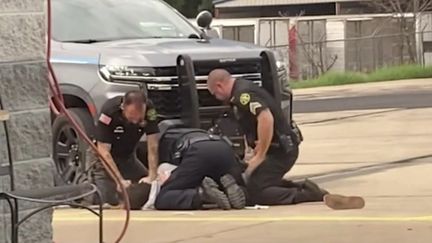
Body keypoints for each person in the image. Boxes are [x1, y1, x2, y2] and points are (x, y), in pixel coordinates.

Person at [207, 69, 365, 209]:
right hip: (278, 148)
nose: (217, 97)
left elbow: (265, 117)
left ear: (220, 86)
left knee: (258, 192)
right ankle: (306, 189)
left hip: (281, 151)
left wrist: (260, 154)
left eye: (215, 93)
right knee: (254, 182)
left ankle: (307, 194)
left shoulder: (242, 95)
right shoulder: (241, 88)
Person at [153, 123, 246, 210]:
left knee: (163, 198)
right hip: (223, 146)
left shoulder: (164, 143)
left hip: (197, 151)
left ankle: (203, 195)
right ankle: (235, 190)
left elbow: (172, 173)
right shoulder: (195, 131)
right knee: (236, 184)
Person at [91, 90, 159, 206]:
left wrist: (152, 175)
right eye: (132, 117)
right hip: (104, 159)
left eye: (139, 119)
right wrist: (119, 180)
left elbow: (153, 145)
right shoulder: (109, 111)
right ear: (123, 107)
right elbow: (103, 151)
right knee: (105, 200)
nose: (135, 121)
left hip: (128, 156)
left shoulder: (150, 110)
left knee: (148, 190)